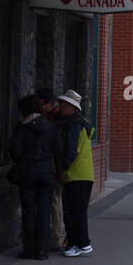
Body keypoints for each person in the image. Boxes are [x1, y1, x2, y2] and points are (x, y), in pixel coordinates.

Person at [9, 93, 62, 259]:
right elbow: (58, 150)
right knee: (44, 210)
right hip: (47, 171)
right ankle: (42, 249)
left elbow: (15, 152)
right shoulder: (51, 126)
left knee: (29, 210)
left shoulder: (22, 127)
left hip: (28, 171)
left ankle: (29, 248)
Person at [57, 90, 94, 256]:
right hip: (84, 173)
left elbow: (71, 150)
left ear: (72, 107)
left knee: (73, 211)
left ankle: (80, 243)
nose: (61, 107)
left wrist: (62, 167)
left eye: (63, 104)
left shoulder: (72, 124)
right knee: (77, 210)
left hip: (75, 174)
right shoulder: (81, 123)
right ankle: (76, 243)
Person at [36, 87, 66, 250]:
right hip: (54, 166)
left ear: (48, 104)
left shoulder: (55, 120)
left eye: (41, 104)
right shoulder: (54, 117)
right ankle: (55, 234)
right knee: (56, 200)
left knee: (55, 200)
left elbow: (57, 147)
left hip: (55, 166)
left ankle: (55, 235)